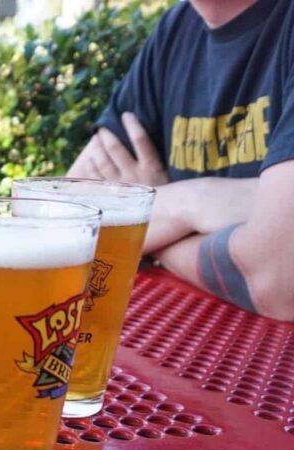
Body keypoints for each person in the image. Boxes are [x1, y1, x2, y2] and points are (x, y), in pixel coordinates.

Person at [67, 0, 294, 322]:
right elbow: (67, 221)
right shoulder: (176, 29)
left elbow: (280, 278)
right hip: (193, 342)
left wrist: (158, 233)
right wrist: (188, 205)